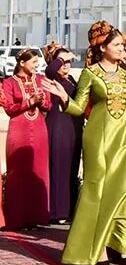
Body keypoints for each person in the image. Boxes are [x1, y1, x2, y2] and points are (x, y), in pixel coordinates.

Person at [42, 21, 126, 265]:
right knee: (97, 190)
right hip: (98, 138)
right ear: (102, 48)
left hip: (125, 138)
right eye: (116, 45)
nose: (121, 49)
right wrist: (63, 97)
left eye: (122, 45)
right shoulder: (90, 74)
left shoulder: (125, 75)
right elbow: (80, 108)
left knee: (124, 190)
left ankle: (121, 245)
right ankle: (95, 248)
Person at [2, 48, 52, 229]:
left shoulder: (40, 80)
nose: (36, 66)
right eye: (33, 63)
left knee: (38, 170)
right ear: (22, 63)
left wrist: (41, 101)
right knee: (19, 170)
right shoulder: (9, 83)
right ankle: (17, 218)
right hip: (19, 129)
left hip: (39, 128)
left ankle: (36, 216)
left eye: (37, 63)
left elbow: (49, 105)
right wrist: (29, 101)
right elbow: (8, 107)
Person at [45, 47, 83, 224]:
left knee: (72, 169)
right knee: (59, 168)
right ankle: (57, 211)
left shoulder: (72, 80)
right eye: (61, 61)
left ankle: (69, 210)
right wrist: (61, 58)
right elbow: (49, 70)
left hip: (74, 128)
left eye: (68, 62)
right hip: (59, 126)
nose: (65, 65)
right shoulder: (53, 79)